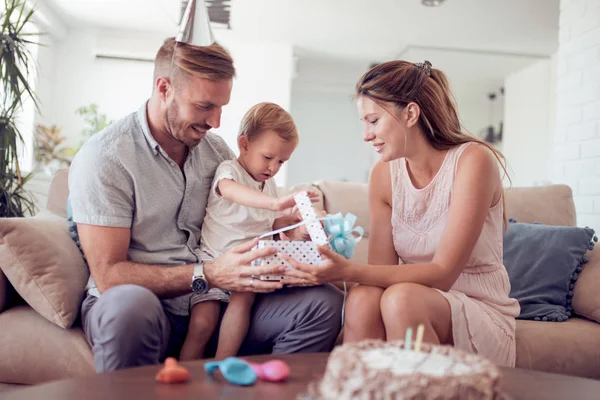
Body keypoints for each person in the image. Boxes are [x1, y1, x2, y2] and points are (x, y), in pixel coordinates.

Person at [68, 37, 343, 373]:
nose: (216, 122)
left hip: (218, 300)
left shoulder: (216, 151)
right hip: (145, 303)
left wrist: (294, 232)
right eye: (204, 106)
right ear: (164, 88)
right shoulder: (106, 158)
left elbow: (246, 218)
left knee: (323, 303)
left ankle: (246, 389)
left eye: (221, 107)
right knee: (130, 306)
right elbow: (110, 276)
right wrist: (209, 274)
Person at [280, 60, 521, 367]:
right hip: (409, 300)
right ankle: (355, 389)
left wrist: (347, 270)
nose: (366, 136)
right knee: (364, 298)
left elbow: (443, 273)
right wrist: (323, 267)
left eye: (373, 121)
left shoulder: (473, 160)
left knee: (401, 299)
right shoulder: (383, 174)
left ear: (410, 113)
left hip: (476, 308)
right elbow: (381, 271)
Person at [179, 102, 318, 361]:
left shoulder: (270, 185)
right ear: (244, 144)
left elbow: (274, 222)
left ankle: (223, 365)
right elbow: (230, 191)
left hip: (249, 263)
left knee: (242, 302)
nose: (273, 167)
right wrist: (276, 203)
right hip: (214, 262)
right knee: (202, 324)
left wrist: (298, 229)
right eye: (268, 158)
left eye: (281, 161)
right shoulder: (229, 170)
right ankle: (183, 375)